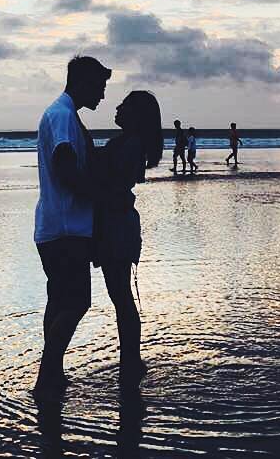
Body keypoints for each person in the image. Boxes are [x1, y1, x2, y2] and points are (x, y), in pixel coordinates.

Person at [33, 55, 111, 398]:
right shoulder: (63, 116)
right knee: (77, 302)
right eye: (100, 86)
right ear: (83, 82)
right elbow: (65, 167)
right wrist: (99, 195)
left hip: (53, 226)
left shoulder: (61, 113)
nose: (103, 94)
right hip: (67, 228)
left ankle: (53, 373)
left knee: (58, 300)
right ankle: (46, 375)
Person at [92, 90, 162, 391]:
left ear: (136, 116)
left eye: (125, 105)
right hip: (117, 223)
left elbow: (111, 182)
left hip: (117, 225)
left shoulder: (130, 144)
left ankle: (131, 359)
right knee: (121, 296)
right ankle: (131, 359)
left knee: (121, 297)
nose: (118, 108)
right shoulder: (128, 143)